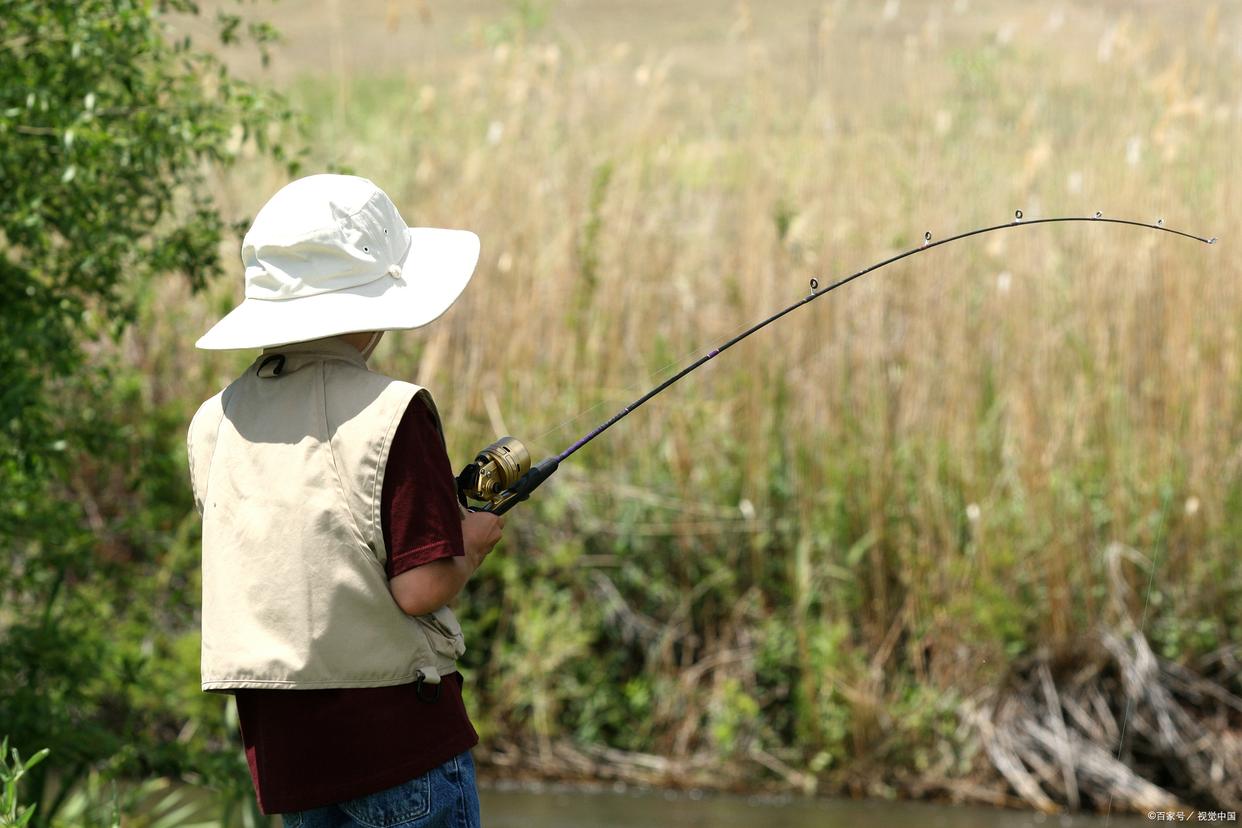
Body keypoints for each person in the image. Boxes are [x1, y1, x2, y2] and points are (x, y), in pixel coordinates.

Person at [186, 173, 504, 827]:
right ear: (376, 305)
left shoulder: (213, 421)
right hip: (399, 746)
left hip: (290, 762)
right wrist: (468, 547)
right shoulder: (396, 411)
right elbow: (419, 589)